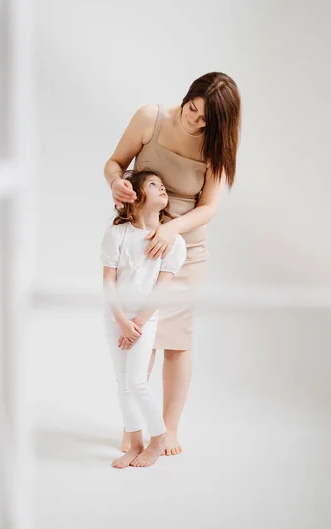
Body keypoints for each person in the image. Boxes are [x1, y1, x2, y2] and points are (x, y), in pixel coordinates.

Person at [103, 72, 241, 456]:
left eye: (204, 120)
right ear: (188, 96)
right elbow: (115, 163)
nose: (194, 121)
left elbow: (209, 207)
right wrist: (115, 181)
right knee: (135, 335)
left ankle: (170, 429)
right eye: (193, 109)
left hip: (185, 248)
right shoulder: (151, 117)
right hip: (139, 242)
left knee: (176, 340)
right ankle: (134, 428)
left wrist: (173, 230)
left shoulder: (216, 146)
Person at [101, 170, 186, 468]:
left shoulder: (173, 242)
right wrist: (122, 321)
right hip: (116, 317)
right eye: (153, 184)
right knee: (122, 383)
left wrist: (137, 323)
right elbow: (109, 283)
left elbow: (161, 288)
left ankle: (158, 439)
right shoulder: (117, 234)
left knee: (137, 381)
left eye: (163, 185)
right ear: (134, 196)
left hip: (145, 320)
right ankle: (135, 442)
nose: (162, 187)